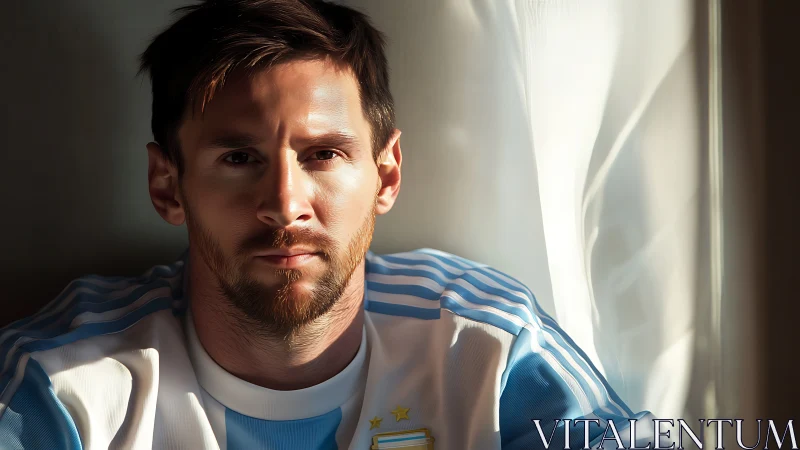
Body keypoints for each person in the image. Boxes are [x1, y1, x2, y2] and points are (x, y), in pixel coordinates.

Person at [0, 1, 650, 449]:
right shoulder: (63, 383)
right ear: (167, 185)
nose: (285, 205)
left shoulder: (484, 349)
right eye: (238, 158)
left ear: (386, 175)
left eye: (323, 155)